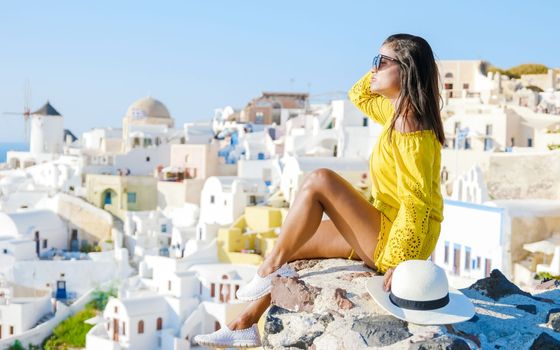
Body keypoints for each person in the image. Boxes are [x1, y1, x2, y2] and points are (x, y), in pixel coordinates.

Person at [195, 33, 445, 348]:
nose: (373, 68)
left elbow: (418, 202)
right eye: (374, 60)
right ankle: (244, 324)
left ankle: (266, 268)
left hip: (398, 238)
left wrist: (400, 261)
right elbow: (359, 95)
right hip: (383, 221)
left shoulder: (411, 125)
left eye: (382, 62)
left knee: (320, 179)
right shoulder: (395, 112)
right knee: (295, 245)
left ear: (406, 70)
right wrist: (380, 68)